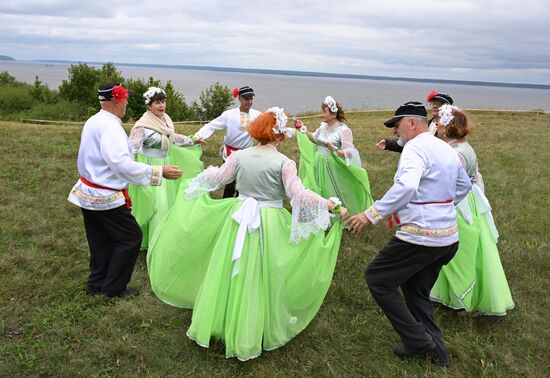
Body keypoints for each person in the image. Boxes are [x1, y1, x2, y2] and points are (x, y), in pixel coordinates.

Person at [147, 107, 348, 361]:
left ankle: (223, 317)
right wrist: (330, 204)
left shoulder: (239, 156)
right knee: (263, 270)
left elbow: (218, 179)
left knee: (232, 267)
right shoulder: (285, 163)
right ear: (278, 136)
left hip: (238, 217)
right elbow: (298, 195)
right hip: (268, 223)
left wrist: (203, 176)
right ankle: (253, 324)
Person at [346, 102, 472, 367]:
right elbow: (464, 186)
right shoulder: (444, 147)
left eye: (397, 124)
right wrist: (441, 206)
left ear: (413, 123)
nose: (396, 130)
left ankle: (417, 341)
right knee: (415, 290)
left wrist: (370, 215)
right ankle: (437, 352)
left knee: (378, 278)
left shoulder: (415, 147)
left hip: (422, 237)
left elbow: (407, 186)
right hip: (448, 238)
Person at [67, 83, 182, 298]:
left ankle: (96, 283)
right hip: (105, 194)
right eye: (126, 100)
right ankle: (113, 288)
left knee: (99, 240)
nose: (127, 104)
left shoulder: (94, 120)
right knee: (130, 237)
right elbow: (121, 163)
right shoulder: (111, 127)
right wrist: (158, 172)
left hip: (88, 191)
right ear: (118, 100)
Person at [430, 105, 514, 315]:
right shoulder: (463, 146)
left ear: (449, 126)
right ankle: (451, 293)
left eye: (440, 121)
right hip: (470, 201)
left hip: (458, 204)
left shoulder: (455, 152)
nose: (437, 123)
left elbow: (450, 184)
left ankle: (463, 297)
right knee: (467, 249)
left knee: (460, 252)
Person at [128, 87, 203, 250]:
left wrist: (191, 140)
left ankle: (165, 237)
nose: (161, 105)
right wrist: (133, 172)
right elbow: (131, 149)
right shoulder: (142, 126)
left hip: (166, 163)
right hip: (151, 166)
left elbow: (172, 138)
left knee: (169, 202)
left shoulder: (166, 120)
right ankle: (154, 241)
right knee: (157, 203)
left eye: (163, 102)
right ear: (149, 105)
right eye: (157, 102)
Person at [294, 96, 373, 216]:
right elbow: (315, 139)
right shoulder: (322, 127)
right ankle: (322, 216)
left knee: (337, 190)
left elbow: (350, 151)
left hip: (333, 166)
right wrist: (302, 129)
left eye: (324, 112)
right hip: (319, 163)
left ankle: (343, 214)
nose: (322, 115)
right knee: (319, 189)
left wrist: (335, 149)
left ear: (333, 115)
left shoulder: (344, 130)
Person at [193, 86, 261, 198]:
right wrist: (198, 136)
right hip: (229, 154)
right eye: (246, 99)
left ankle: (240, 207)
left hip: (246, 154)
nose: (249, 102)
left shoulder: (257, 115)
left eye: (251, 99)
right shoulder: (229, 115)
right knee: (229, 184)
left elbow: (269, 126)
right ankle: (226, 206)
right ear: (239, 98)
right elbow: (211, 126)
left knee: (243, 184)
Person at [376, 91, 453, 152]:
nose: (435, 106)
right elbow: (412, 143)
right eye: (433, 103)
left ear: (447, 108)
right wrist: (388, 144)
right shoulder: (428, 124)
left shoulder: (452, 128)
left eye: (439, 104)